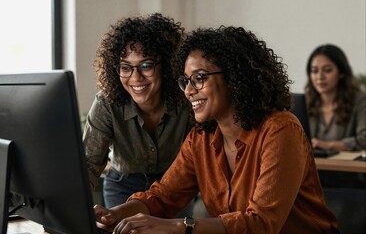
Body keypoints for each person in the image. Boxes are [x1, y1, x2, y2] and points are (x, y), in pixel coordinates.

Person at [94, 26, 339, 234]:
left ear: (234, 78)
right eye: (186, 81)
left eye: (199, 78)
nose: (189, 91)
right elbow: (162, 197)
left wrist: (179, 226)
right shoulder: (201, 138)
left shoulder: (280, 129)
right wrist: (113, 214)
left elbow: (262, 223)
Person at [83, 13, 194, 215]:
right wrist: (73, 201)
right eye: (126, 67)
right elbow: (89, 164)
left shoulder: (186, 101)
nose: (135, 78)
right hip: (122, 185)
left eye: (146, 65)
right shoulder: (107, 103)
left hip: (173, 186)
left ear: (168, 66)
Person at [305, 44, 366, 152]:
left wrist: (329, 145)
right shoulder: (304, 102)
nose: (320, 77)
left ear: (341, 73)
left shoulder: (360, 100)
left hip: (345, 167)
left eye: (327, 70)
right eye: (314, 71)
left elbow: (364, 139)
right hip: (310, 166)